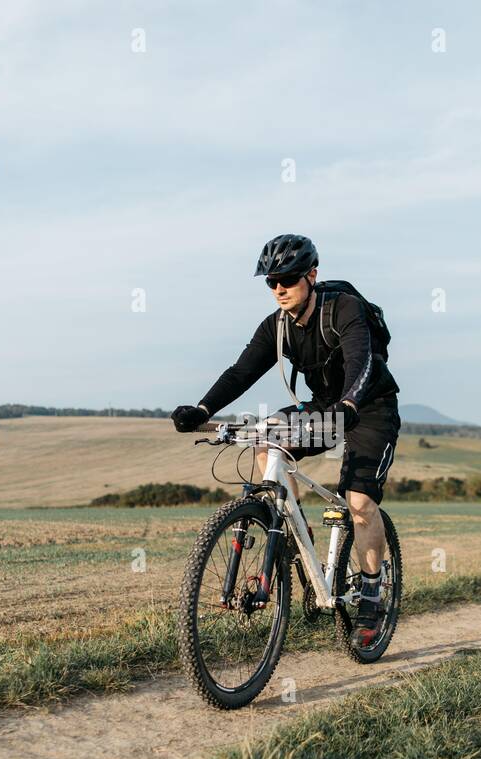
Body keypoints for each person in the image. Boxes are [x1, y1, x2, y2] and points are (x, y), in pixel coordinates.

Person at [171, 234, 401, 648]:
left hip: (368, 407)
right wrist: (203, 411)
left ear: (311, 275)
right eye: (271, 281)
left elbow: (361, 362)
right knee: (266, 438)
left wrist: (349, 402)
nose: (279, 289)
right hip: (326, 407)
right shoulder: (275, 326)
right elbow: (241, 372)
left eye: (289, 279)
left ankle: (371, 593)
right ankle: (297, 537)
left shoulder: (343, 309)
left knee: (360, 503)